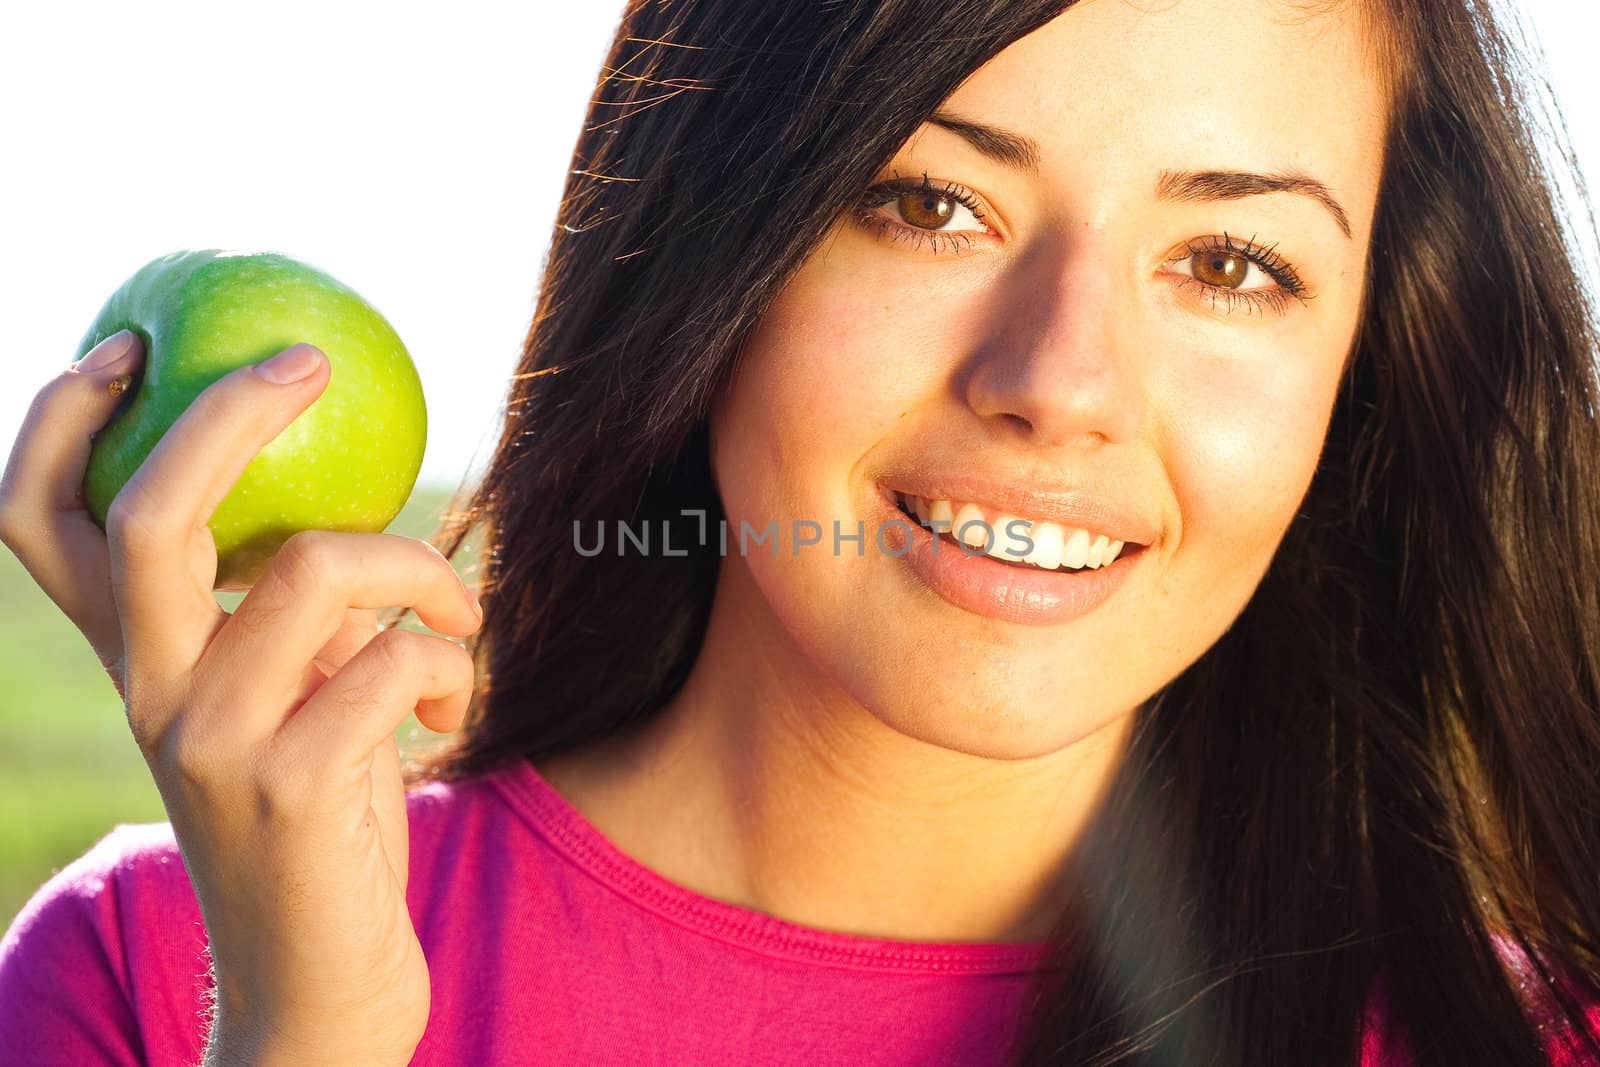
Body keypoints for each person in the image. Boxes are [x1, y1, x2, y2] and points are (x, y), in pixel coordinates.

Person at [2, 0, 1599, 1063]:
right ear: (712, 256)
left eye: (1234, 265)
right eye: (928, 203)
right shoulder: (163, 976)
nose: (1058, 385)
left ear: (1365, 368)